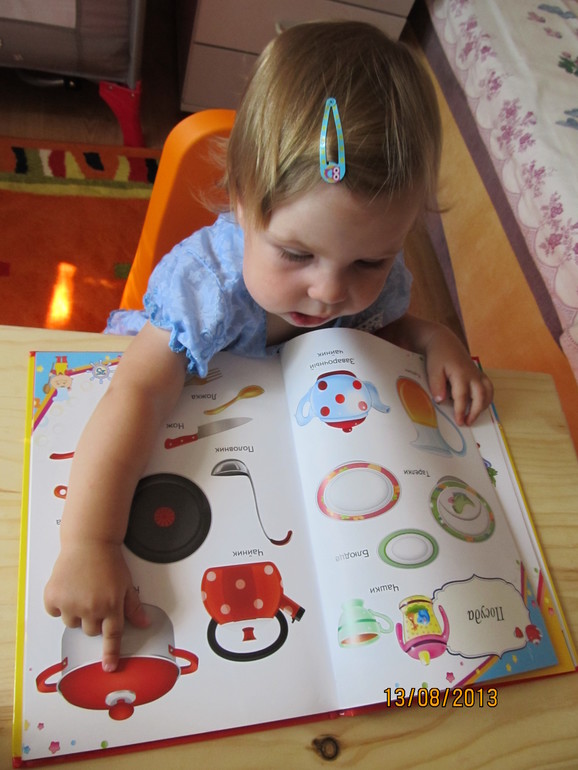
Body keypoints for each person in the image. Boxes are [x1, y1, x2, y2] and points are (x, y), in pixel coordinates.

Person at [43, 20, 493, 672]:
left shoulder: (372, 280)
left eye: (369, 261)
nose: (330, 292)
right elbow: (135, 394)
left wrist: (432, 335)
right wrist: (90, 543)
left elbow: (379, 327)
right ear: (241, 200)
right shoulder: (206, 288)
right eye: (296, 254)